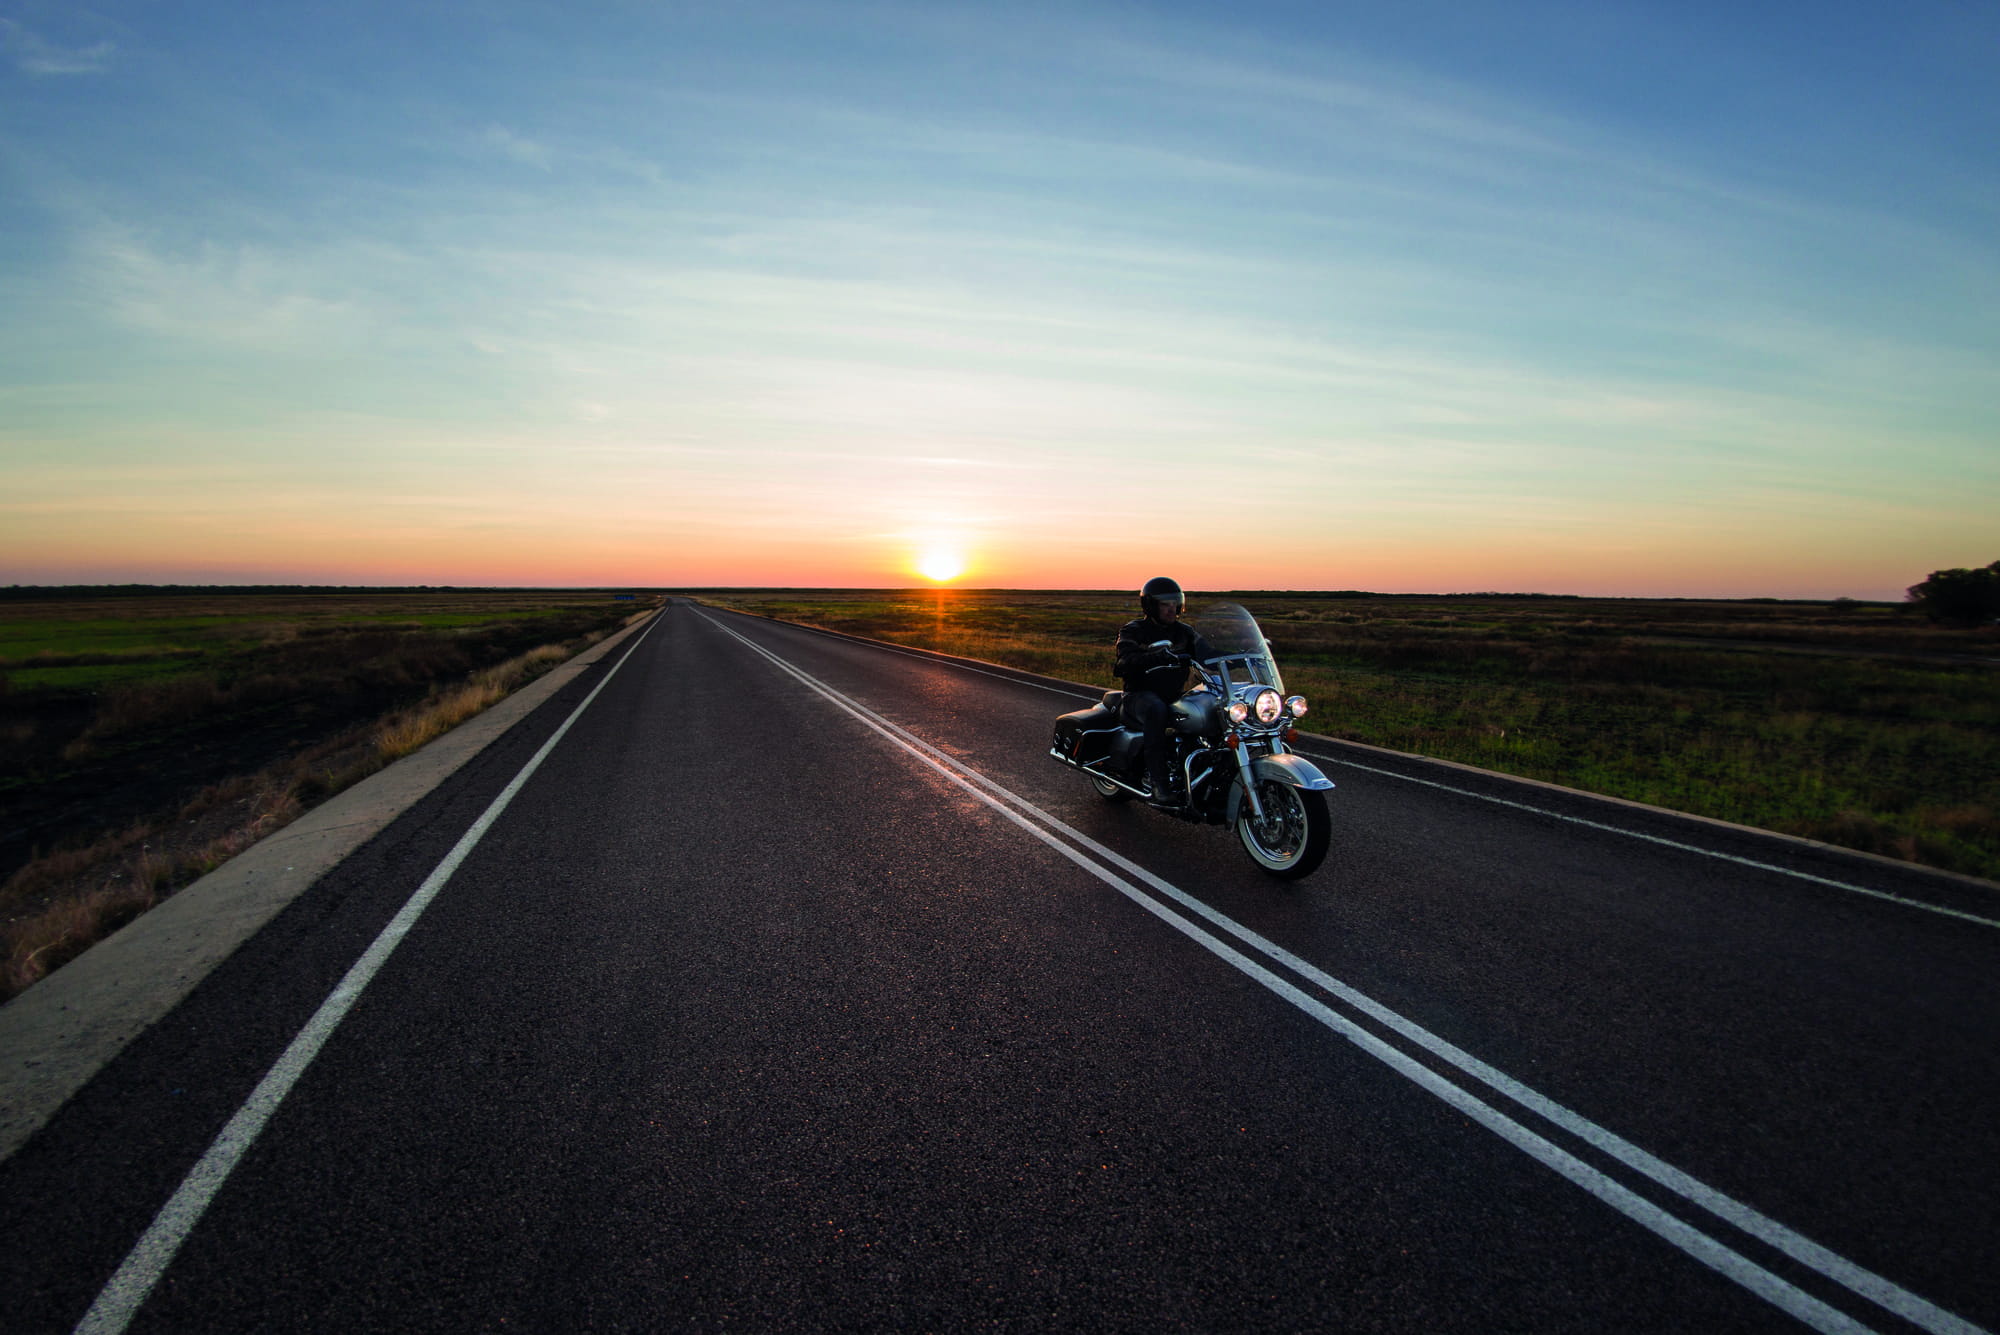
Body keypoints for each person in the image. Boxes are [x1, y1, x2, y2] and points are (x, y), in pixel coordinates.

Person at [1113, 576, 1215, 804]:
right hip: (1138, 696)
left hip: (1174, 695)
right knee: (1157, 710)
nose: (1171, 609)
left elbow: (1208, 654)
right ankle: (1160, 786)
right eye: (1165, 604)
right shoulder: (1134, 630)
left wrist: (1240, 655)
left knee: (1209, 708)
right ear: (1151, 605)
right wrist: (1155, 656)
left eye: (1174, 604)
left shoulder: (1185, 632)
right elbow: (1123, 661)